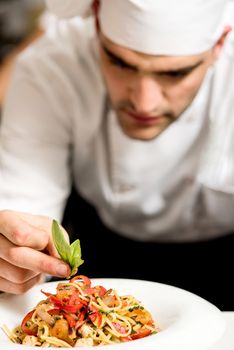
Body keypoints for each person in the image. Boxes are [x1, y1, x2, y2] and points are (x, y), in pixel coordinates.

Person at [0, 0, 234, 309]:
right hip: (99, 257)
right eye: (121, 63)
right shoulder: (51, 67)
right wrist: (15, 254)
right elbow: (22, 211)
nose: (144, 103)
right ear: (96, 25)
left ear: (219, 45)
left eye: (175, 73)